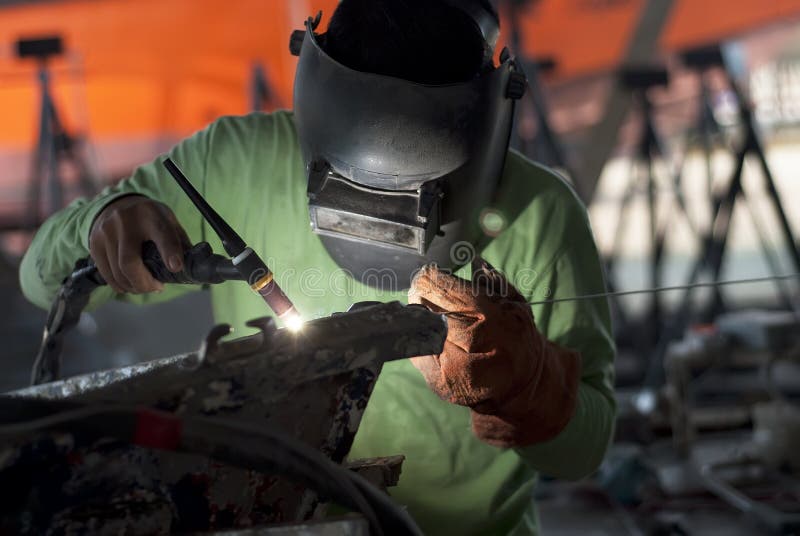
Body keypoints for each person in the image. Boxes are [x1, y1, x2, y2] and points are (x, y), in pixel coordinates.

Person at [20, 0, 616, 534]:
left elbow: (585, 451)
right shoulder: (236, 162)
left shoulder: (540, 213)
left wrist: (531, 388)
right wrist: (104, 222)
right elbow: (41, 281)